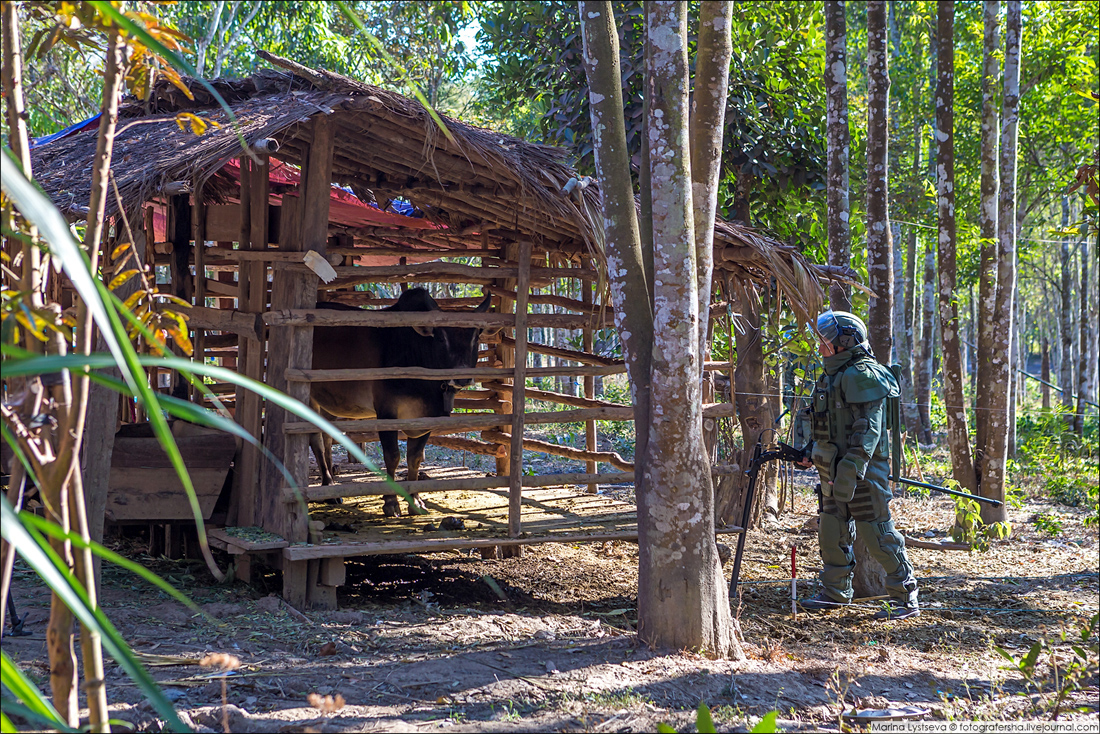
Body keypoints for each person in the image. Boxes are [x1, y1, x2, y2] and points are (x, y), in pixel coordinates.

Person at [796, 310, 919, 620]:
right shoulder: (831, 374)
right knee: (831, 529)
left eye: (826, 341)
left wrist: (851, 468)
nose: (820, 346)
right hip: (832, 469)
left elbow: (869, 429)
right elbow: (821, 420)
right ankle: (836, 593)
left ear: (845, 342)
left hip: (862, 471)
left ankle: (906, 597)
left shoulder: (862, 374)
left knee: (877, 533)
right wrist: (810, 449)